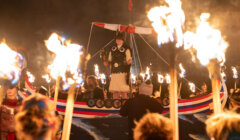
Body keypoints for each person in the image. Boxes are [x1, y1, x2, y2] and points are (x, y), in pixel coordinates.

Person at [108, 32, 131, 99]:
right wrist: (110, 69)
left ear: (123, 40)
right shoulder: (112, 49)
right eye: (117, 39)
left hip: (123, 72)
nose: (118, 41)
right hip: (114, 72)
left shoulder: (126, 49)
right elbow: (110, 60)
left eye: (120, 39)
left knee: (124, 91)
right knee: (115, 90)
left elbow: (129, 60)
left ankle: (124, 104)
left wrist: (128, 71)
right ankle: (116, 104)